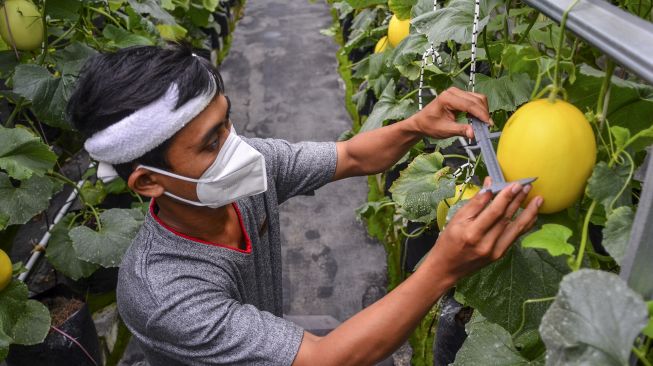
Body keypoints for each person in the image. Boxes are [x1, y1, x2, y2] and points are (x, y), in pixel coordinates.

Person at [67, 44, 542, 366]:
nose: (237, 147)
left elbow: (354, 156)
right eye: (211, 143)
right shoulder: (161, 291)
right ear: (149, 181)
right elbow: (326, 359)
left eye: (227, 121)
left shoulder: (245, 174)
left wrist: (416, 125)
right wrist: (443, 267)